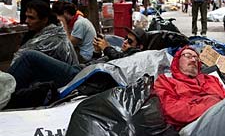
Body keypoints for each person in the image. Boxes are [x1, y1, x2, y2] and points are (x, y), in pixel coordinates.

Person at [7, 27, 147, 100]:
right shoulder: (120, 52)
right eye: (125, 38)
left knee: (29, 57)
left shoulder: (135, 56)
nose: (125, 42)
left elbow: (120, 62)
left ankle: (3, 90)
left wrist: (106, 48)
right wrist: (98, 52)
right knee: (32, 66)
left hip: (77, 77)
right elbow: (95, 65)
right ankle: (9, 95)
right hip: (80, 71)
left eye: (130, 41)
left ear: (139, 47)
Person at [12, 0, 78, 66]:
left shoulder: (53, 40)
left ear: (44, 20)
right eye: (27, 17)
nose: (26, 21)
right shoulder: (42, 33)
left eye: (31, 18)